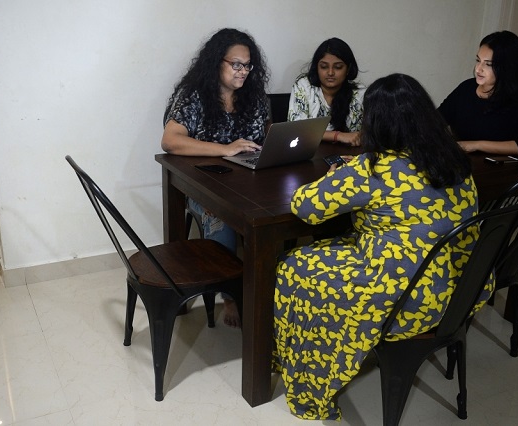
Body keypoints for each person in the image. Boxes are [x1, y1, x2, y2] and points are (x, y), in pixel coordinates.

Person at [273, 74, 493, 420]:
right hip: (460, 288)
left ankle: (305, 374)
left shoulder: (374, 168)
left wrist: (337, 176)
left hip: (402, 300)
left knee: (293, 265)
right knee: (332, 250)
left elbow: (305, 206)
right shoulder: (454, 162)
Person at [161, 28, 270, 327]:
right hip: (204, 185)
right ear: (216, 62)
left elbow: (263, 137)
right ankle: (230, 295)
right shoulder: (194, 96)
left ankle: (269, 291)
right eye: (236, 64)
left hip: (248, 181)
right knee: (223, 222)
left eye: (248, 66)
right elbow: (170, 140)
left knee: (275, 215)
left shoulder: (253, 97)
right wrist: (224, 149)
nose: (243, 71)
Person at [438, 30, 518, 159]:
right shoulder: (467, 88)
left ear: (507, 67)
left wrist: (476, 145)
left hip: (506, 169)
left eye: (488, 64)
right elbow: (437, 119)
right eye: (478, 60)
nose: (478, 69)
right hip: (466, 162)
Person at [287, 37, 364, 146]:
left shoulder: (359, 93)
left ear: (348, 69)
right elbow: (296, 129)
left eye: (338, 67)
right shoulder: (304, 86)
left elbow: (370, 133)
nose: (330, 73)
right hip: (311, 153)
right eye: (324, 67)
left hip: (349, 156)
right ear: (316, 67)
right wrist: (339, 136)